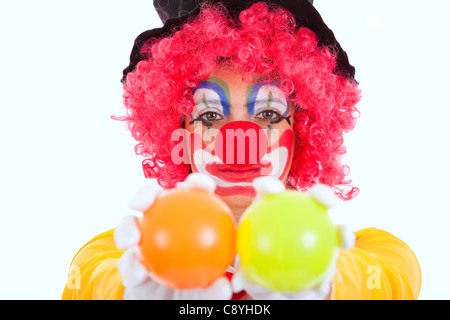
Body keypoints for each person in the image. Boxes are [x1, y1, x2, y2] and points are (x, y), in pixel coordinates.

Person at [62, 0, 421, 300]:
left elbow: (393, 274)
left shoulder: (371, 250)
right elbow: (94, 276)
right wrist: (140, 281)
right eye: (210, 115)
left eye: (267, 113)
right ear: (180, 138)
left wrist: (320, 273)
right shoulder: (122, 250)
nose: (239, 138)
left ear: (302, 136)